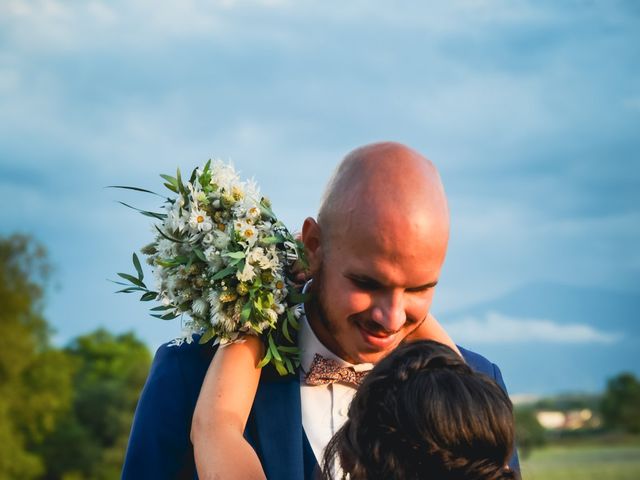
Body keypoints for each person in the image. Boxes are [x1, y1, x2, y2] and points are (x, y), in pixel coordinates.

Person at [122, 142, 519, 479]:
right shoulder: (188, 374)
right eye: (367, 284)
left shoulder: (480, 385)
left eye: (419, 289)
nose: (392, 318)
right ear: (312, 246)